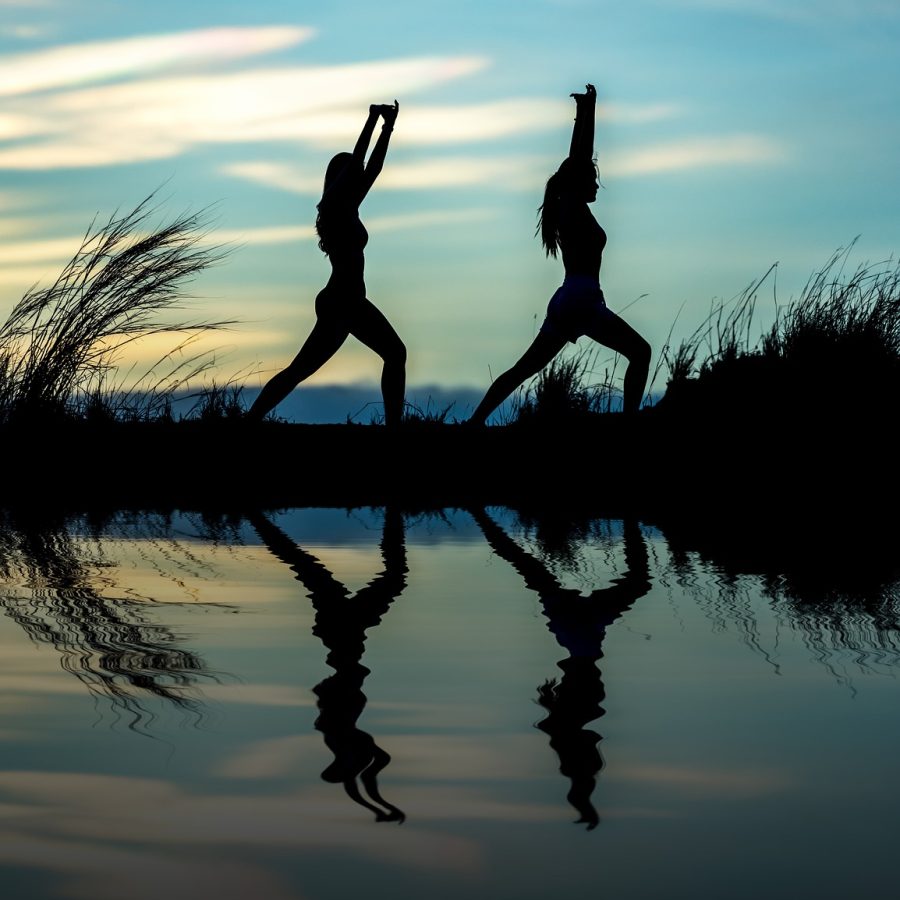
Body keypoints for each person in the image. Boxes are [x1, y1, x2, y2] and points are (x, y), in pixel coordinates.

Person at [468, 84, 651, 424]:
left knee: (522, 369)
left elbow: (579, 159)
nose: (597, 184)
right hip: (580, 299)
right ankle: (630, 423)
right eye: (593, 180)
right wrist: (590, 109)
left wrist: (584, 111)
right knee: (641, 352)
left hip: (571, 299)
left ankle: (474, 422)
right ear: (579, 183)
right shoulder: (571, 207)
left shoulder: (570, 206)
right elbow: (580, 156)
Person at [247, 101, 406, 424]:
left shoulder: (349, 207)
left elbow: (372, 167)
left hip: (348, 301)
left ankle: (249, 420)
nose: (358, 176)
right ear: (339, 178)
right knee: (304, 369)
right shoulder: (333, 208)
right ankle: (249, 420)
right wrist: (372, 118)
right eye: (350, 173)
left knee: (304, 369)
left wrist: (388, 128)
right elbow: (360, 161)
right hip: (342, 302)